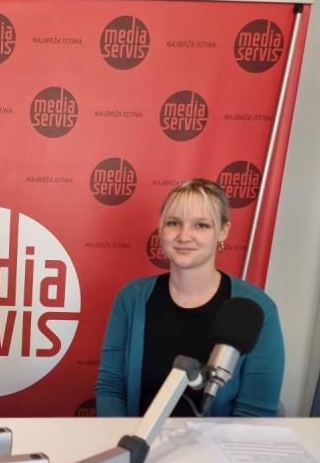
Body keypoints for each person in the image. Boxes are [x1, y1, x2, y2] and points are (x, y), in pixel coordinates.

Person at [94, 178, 284, 417]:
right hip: (139, 438)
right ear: (161, 228)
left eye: (201, 225)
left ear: (223, 231)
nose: (184, 236)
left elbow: (255, 413)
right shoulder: (131, 298)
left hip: (220, 442)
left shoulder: (257, 308)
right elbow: (111, 388)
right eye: (173, 223)